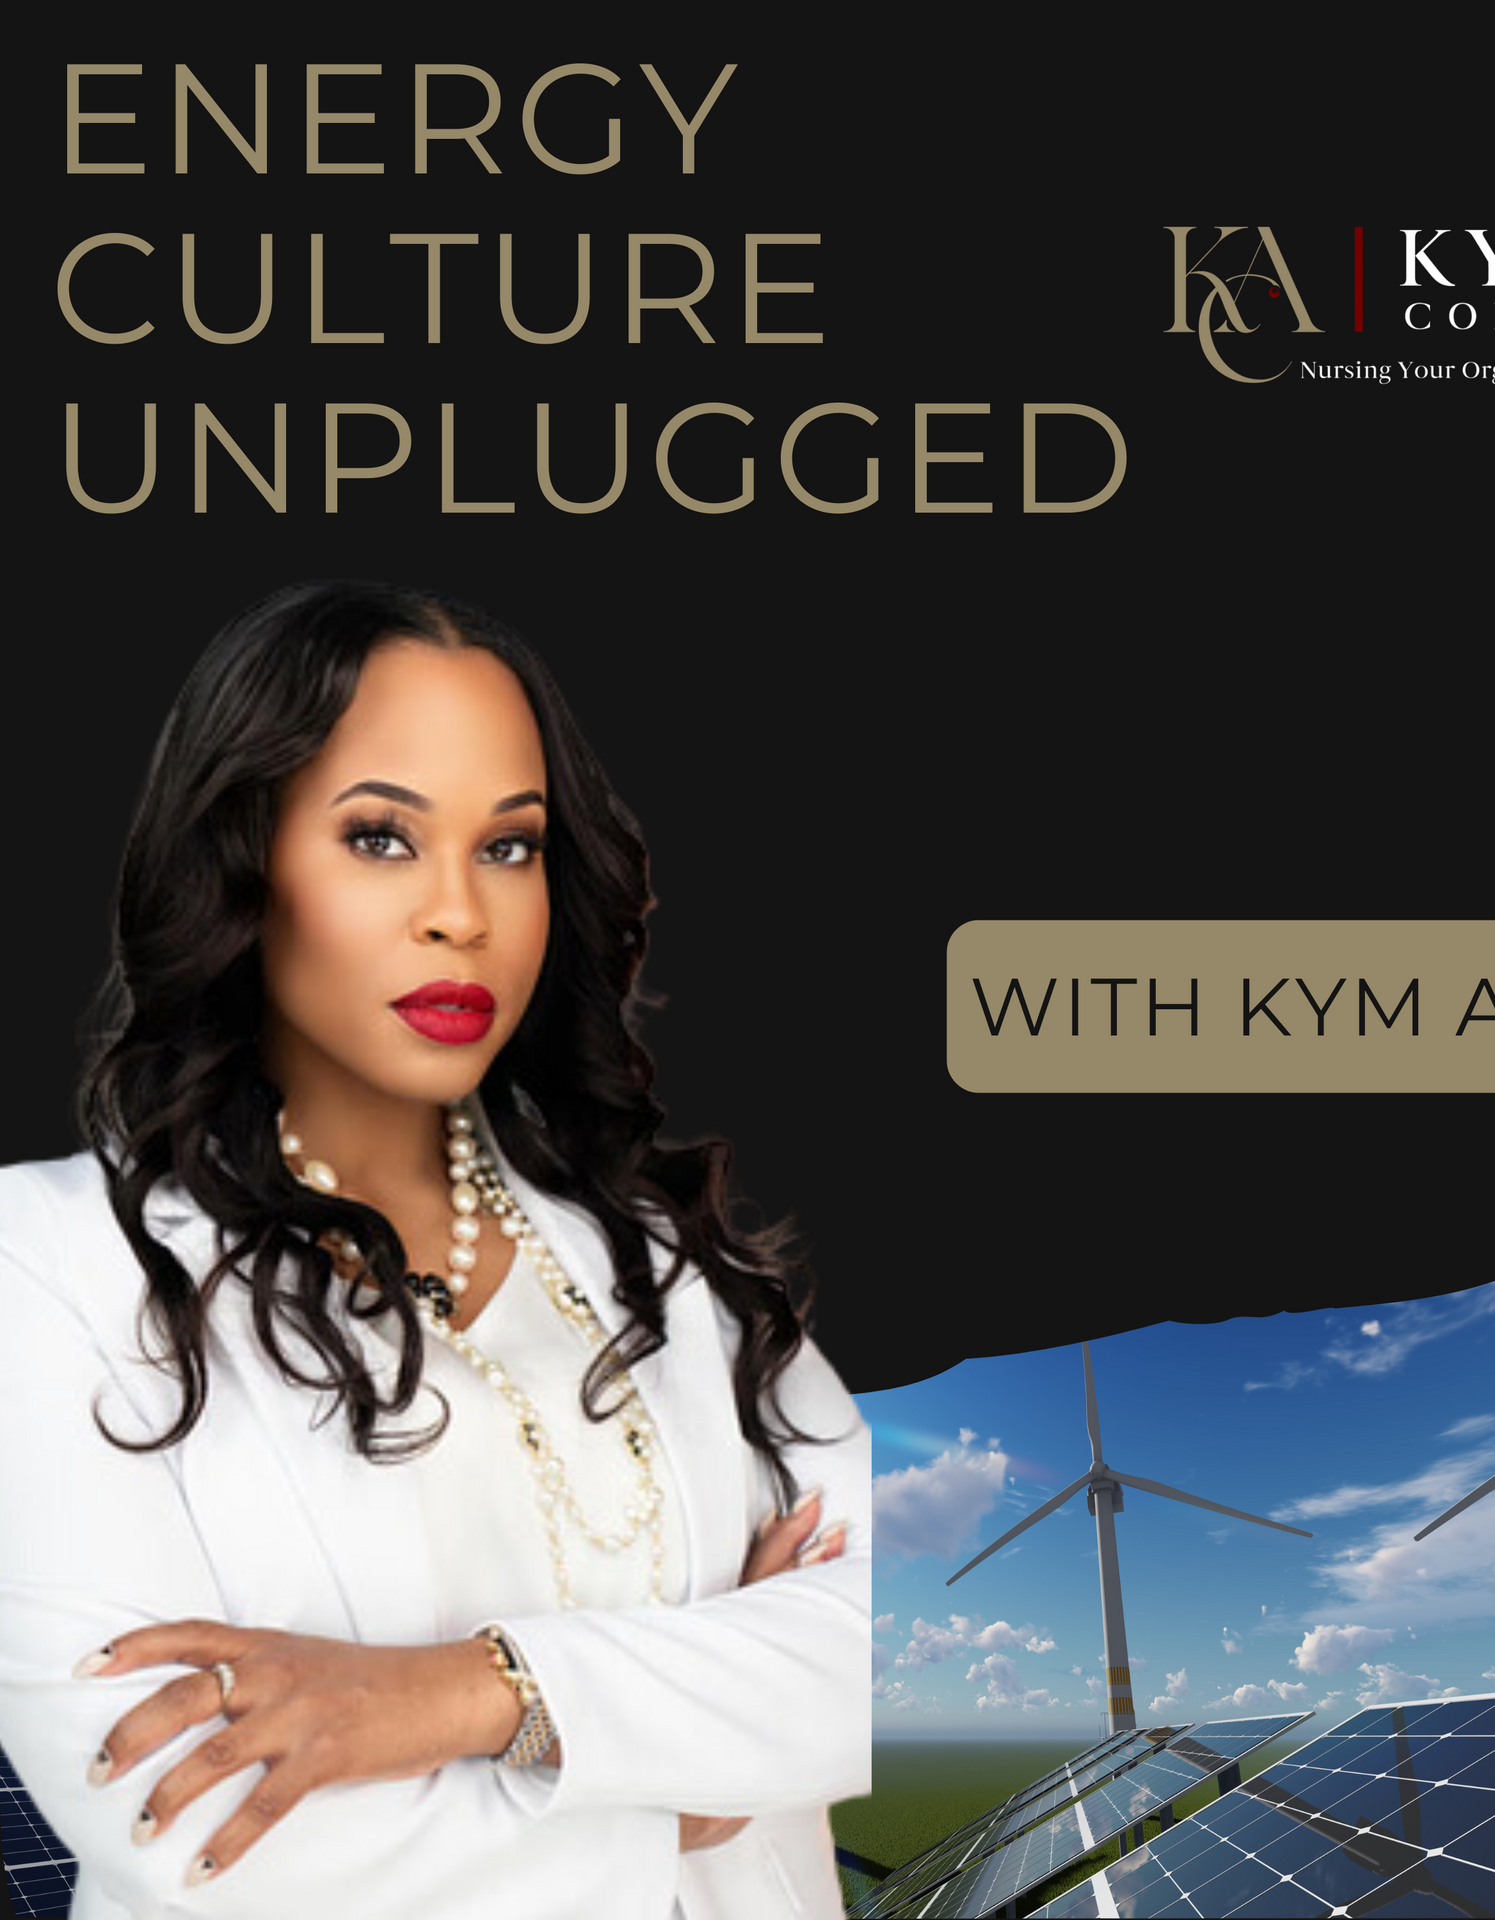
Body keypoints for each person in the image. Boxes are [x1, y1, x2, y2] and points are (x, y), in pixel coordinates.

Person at [0, 581, 870, 1920]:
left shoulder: (661, 1260)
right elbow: (193, 1823)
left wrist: (456, 1696)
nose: (461, 912)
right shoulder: (47, 1261)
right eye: (379, 838)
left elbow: (875, 1649)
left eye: (510, 848)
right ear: (242, 858)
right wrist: (694, 1788)